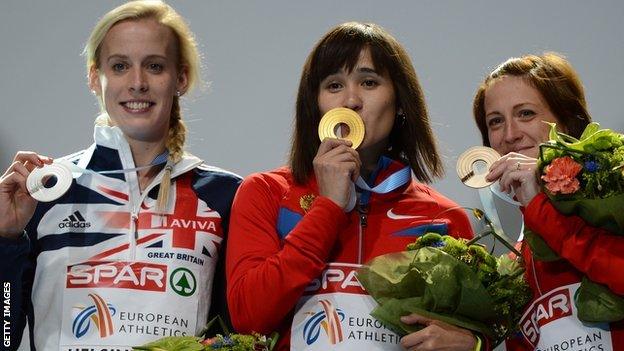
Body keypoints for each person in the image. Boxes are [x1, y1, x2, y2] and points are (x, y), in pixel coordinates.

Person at [0, 1, 241, 350]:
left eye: (155, 66)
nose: (137, 83)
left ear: (181, 78)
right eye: (120, 66)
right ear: (95, 77)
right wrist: (5, 239)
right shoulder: (46, 189)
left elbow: (236, 334)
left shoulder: (224, 196)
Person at [226, 22, 480, 351]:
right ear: (315, 106)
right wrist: (328, 208)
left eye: (369, 82)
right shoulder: (266, 192)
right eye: (334, 85)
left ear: (400, 101)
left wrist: (475, 343)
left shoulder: (445, 217)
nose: (351, 100)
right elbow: (249, 316)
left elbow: (470, 333)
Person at [472, 52, 624, 350]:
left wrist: (543, 212)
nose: (511, 135)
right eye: (496, 121)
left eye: (526, 113)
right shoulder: (513, 264)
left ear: (567, 121)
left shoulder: (614, 195)